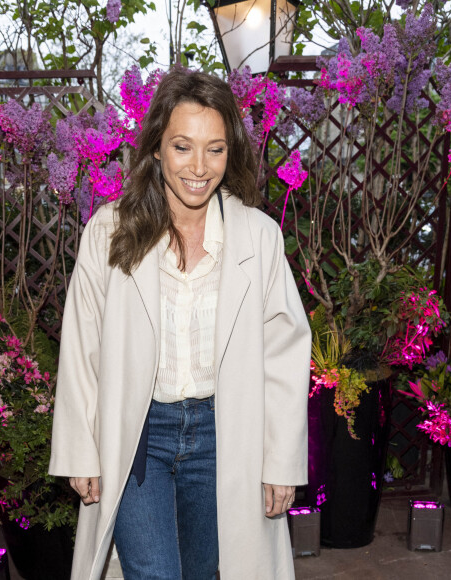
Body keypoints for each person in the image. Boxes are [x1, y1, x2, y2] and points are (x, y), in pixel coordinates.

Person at [49, 69, 311, 580]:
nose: (199, 167)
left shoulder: (258, 238)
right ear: (156, 149)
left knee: (206, 572)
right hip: (138, 436)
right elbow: (82, 347)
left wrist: (280, 462)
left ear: (230, 153)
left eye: (215, 149)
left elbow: (284, 353)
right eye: (182, 147)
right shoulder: (110, 230)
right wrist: (82, 450)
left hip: (225, 435)